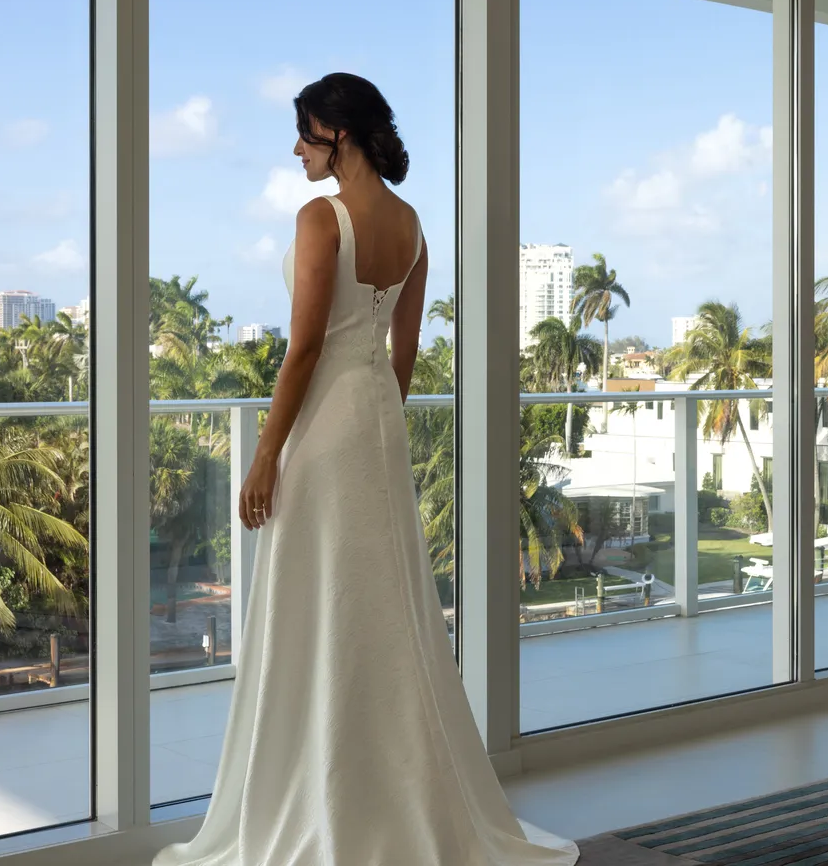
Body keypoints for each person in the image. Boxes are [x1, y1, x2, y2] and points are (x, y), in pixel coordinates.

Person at [153, 74, 578, 866]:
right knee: (384, 603)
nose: (296, 149)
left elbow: (305, 347)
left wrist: (265, 453)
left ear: (336, 133)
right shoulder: (412, 223)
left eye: (304, 134)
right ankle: (394, 797)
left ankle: (321, 797)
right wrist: (375, 411)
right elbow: (402, 351)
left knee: (318, 601)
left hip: (323, 423)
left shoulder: (323, 217)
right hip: (375, 418)